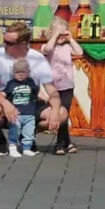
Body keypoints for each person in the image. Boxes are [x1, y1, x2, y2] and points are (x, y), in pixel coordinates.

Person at [0, 22, 61, 153]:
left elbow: (51, 90)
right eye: (4, 41)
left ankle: (27, 135)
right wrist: (6, 103)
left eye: (9, 43)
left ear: (23, 43)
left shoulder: (38, 58)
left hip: (30, 104)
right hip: (6, 101)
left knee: (62, 113)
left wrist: (56, 110)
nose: (5, 45)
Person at [41, 20, 81, 156]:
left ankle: (63, 143)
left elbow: (79, 52)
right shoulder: (47, 47)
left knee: (65, 114)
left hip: (67, 86)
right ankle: (65, 143)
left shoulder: (67, 47)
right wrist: (55, 35)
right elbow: (47, 50)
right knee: (59, 113)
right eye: (58, 34)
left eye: (63, 34)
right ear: (51, 34)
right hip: (52, 87)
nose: (61, 37)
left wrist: (71, 39)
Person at [0, 58, 43, 157]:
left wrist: (44, 98)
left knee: (29, 132)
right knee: (14, 130)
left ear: (28, 72)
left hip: (29, 114)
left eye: (23, 72)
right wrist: (0, 96)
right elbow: (5, 93)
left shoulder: (30, 82)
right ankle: (12, 147)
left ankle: (26, 148)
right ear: (13, 73)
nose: (20, 74)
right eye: (17, 72)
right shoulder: (11, 83)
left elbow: (37, 92)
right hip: (16, 114)